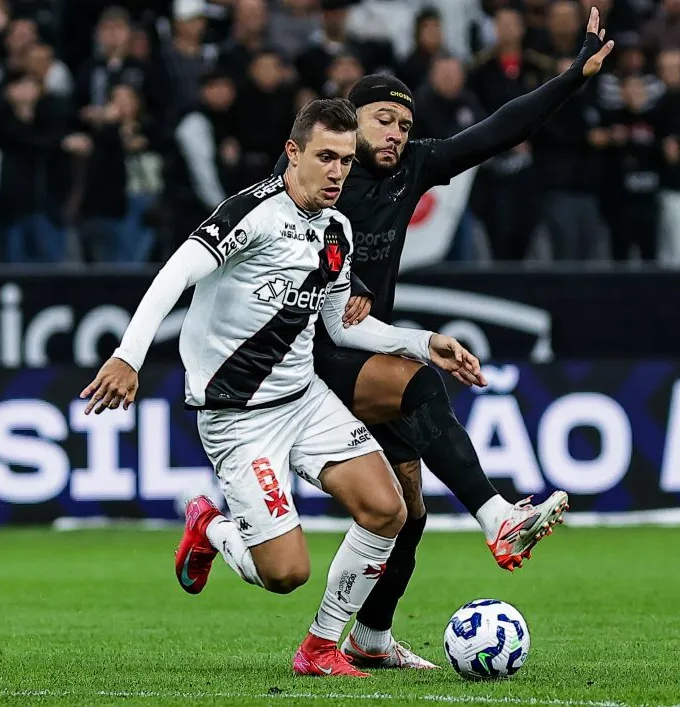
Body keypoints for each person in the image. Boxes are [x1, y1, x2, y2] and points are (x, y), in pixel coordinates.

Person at [79, 98, 485, 678]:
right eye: (325, 157)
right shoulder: (252, 214)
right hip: (238, 419)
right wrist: (128, 356)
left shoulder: (335, 231)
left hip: (305, 400)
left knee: (388, 509)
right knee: (284, 574)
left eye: (346, 160)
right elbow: (174, 273)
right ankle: (209, 525)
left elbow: (343, 323)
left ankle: (320, 648)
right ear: (293, 154)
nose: (338, 172)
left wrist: (422, 344)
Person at [269, 6, 614, 671]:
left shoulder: (412, 169)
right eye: (383, 119)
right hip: (306, 356)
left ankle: (368, 637)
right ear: (347, 120)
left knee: (408, 509)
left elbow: (495, 131)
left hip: (362, 343)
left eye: (405, 123)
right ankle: (495, 515)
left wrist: (573, 77)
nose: (396, 133)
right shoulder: (319, 175)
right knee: (417, 379)